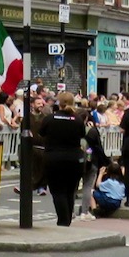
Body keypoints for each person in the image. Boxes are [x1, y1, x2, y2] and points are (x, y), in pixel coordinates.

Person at [39, 93, 87, 227]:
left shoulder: (50, 119)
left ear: (58, 103)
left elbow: (41, 133)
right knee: (70, 191)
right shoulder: (77, 119)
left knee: (58, 191)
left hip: (53, 158)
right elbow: (82, 135)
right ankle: (68, 220)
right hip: (73, 159)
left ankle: (63, 220)